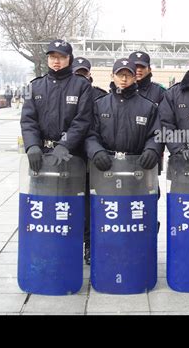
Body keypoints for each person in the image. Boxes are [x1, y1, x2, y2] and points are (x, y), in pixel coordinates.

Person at [84, 58, 162, 265]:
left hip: (137, 170)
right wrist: (96, 151)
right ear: (113, 76)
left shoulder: (147, 106)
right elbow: (90, 134)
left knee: (133, 214)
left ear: (134, 76)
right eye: (120, 74)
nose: (124, 78)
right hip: (106, 169)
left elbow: (157, 134)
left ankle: (137, 250)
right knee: (109, 214)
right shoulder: (99, 105)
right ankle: (104, 249)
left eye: (128, 74)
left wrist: (153, 150)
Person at [20, 38, 92, 180]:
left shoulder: (82, 86)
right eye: (52, 57)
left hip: (72, 154)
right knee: (41, 199)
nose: (56, 61)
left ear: (69, 59)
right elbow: (28, 120)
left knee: (71, 200)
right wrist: (32, 145)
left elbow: (82, 120)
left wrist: (65, 144)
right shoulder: (34, 86)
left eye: (61, 57)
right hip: (41, 155)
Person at [72, 56, 106, 265]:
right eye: (77, 73)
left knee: (92, 207)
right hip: (71, 158)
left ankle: (90, 246)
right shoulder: (65, 93)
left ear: (90, 75)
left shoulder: (100, 97)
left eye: (84, 73)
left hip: (94, 161)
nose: (81, 77)